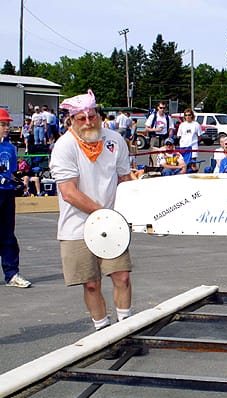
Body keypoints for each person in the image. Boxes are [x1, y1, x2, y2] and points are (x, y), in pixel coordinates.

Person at [49, 89, 133, 332]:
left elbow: (125, 179)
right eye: (81, 118)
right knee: (91, 284)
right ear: (71, 120)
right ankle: (103, 331)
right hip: (77, 225)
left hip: (112, 224)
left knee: (122, 277)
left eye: (92, 116)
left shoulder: (115, 140)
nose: (88, 122)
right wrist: (104, 214)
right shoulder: (64, 146)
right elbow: (69, 193)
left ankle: (126, 330)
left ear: (99, 114)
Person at [0, 108, 32, 288]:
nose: (6, 128)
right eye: (3, 124)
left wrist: (19, 182)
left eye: (7, 125)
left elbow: (10, 172)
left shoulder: (9, 148)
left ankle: (12, 273)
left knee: (7, 234)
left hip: (6, 192)